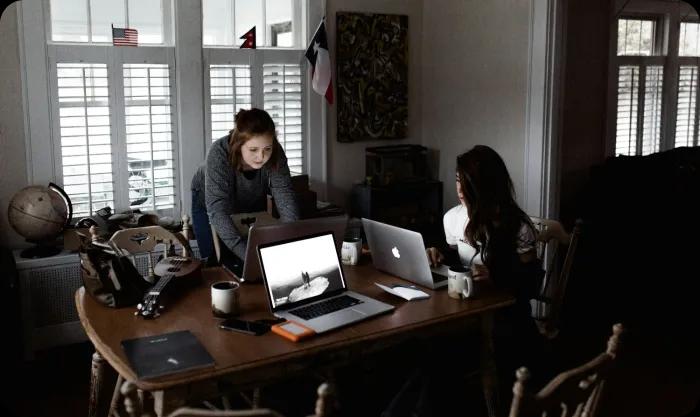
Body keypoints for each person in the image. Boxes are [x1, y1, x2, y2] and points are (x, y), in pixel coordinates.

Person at [400, 145, 546, 416]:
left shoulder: (517, 227)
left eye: (465, 182)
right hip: (466, 310)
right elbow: (460, 257)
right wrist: (439, 253)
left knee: (437, 355)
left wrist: (497, 276)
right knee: (422, 352)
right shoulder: (453, 218)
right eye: (457, 179)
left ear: (485, 185)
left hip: (505, 320)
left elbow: (531, 284)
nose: (459, 188)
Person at [190, 108, 300, 273]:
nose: (261, 157)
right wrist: (251, 257)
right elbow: (218, 212)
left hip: (250, 198)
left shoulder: (275, 151)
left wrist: (291, 242)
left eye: (267, 149)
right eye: (253, 150)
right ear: (239, 144)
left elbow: (284, 194)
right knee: (216, 263)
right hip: (209, 204)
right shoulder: (218, 154)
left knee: (253, 260)